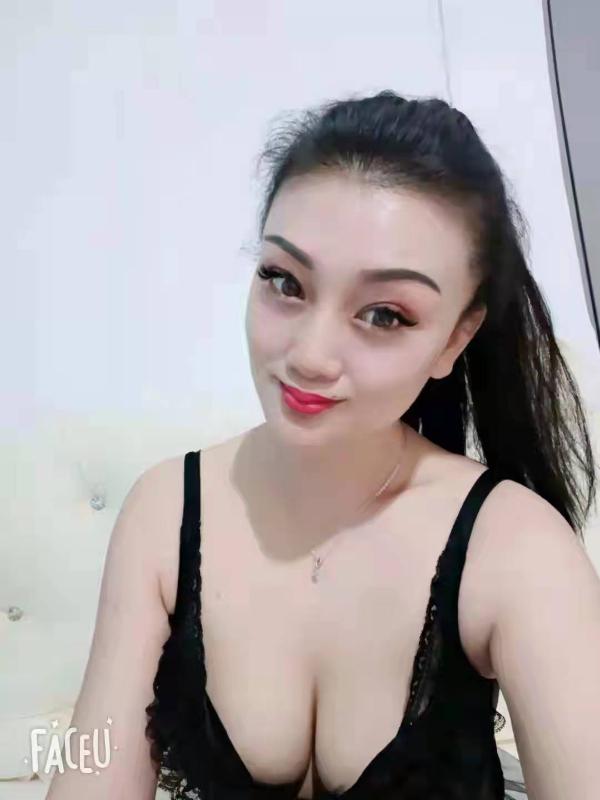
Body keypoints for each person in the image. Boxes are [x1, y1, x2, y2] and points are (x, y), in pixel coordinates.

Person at [47, 92, 600, 800]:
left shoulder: (515, 547)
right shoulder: (165, 513)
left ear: (455, 339)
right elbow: (93, 772)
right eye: (284, 281)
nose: (309, 355)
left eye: (384, 315)